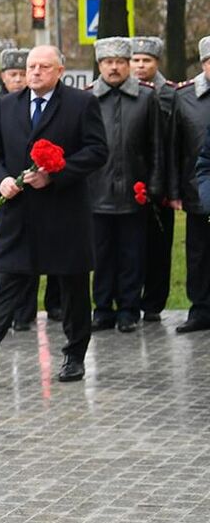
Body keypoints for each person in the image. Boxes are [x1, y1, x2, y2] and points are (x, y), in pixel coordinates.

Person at [0, 45, 109, 387]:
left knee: (72, 287)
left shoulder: (81, 104)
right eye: (31, 66)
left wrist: (56, 173)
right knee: (5, 284)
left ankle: (74, 355)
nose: (34, 72)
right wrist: (1, 180)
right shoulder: (7, 105)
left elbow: (97, 151)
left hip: (64, 211)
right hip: (19, 213)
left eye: (43, 67)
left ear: (59, 71)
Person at [87, 36, 163, 333]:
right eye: (108, 62)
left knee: (132, 254)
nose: (114, 67)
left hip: (135, 190)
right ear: (100, 65)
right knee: (101, 254)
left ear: (128, 64)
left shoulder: (146, 97)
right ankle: (102, 309)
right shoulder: (87, 98)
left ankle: (129, 310)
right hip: (97, 191)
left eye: (120, 62)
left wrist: (154, 184)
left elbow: (156, 145)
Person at [0, 49, 39, 332]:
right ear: (2, 76)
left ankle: (25, 312)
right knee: (0, 252)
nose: (17, 79)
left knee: (29, 252)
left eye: (21, 74)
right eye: (11, 74)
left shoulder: (39, 103)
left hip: (33, 189)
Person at [130, 36, 178, 323]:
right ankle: (131, 298)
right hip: (134, 179)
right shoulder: (129, 92)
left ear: (156, 63)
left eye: (146, 60)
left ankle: (154, 303)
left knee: (160, 245)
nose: (140, 65)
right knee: (134, 245)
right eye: (135, 60)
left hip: (162, 178)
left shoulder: (170, 93)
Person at [174, 37, 210, 335]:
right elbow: (173, 146)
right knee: (199, 253)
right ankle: (200, 309)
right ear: (203, 63)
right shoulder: (184, 96)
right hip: (199, 190)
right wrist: (174, 189)